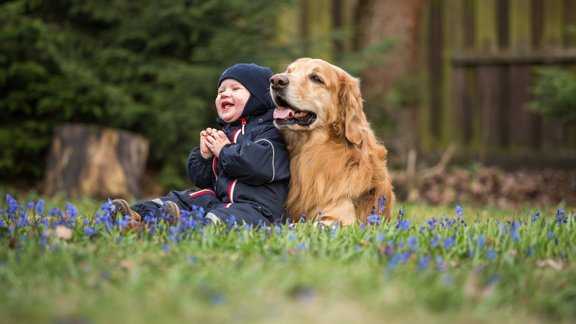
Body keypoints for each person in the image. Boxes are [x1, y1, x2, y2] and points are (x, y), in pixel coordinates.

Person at [112, 63, 290, 227]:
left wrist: (224, 150)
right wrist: (205, 157)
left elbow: (258, 165)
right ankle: (136, 216)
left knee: (224, 217)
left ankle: (184, 225)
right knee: (186, 198)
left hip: (258, 209)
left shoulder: (270, 132)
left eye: (236, 89)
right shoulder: (226, 134)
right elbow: (203, 181)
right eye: (221, 91)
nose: (225, 94)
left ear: (257, 98)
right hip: (221, 201)